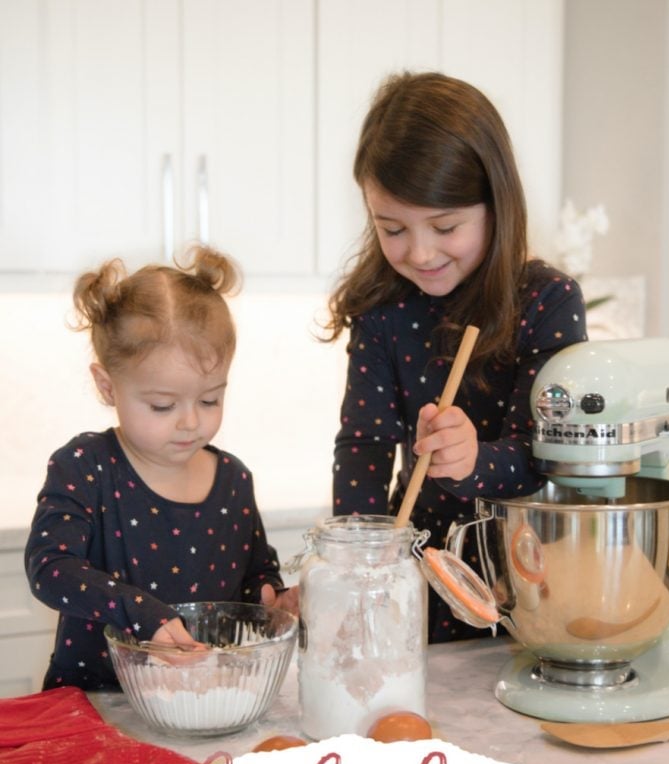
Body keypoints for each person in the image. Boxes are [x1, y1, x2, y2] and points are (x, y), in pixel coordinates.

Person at [325, 71, 587, 643]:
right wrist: (360, 557)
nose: (419, 252)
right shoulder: (382, 311)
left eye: (445, 226)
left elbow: (546, 463)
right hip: (414, 581)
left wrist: (473, 462)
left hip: (524, 583)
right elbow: (365, 446)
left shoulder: (547, 302)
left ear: (497, 203)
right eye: (391, 228)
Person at [25, 246, 297, 691]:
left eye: (210, 399)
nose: (191, 421)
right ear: (107, 386)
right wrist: (139, 611)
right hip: (96, 705)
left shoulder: (233, 479)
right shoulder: (85, 467)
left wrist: (274, 600)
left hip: (207, 701)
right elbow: (49, 568)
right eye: (163, 405)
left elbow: (253, 579)